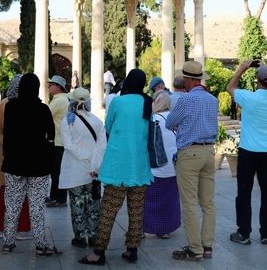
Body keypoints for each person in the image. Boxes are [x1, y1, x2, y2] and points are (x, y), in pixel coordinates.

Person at [80, 68, 153, 265]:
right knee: (136, 211)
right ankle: (131, 250)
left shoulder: (118, 101)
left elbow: (108, 127)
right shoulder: (147, 102)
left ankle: (98, 252)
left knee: (109, 210)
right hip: (139, 167)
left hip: (118, 166)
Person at [226, 61, 267, 245]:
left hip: (248, 152)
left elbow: (230, 87)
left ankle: (244, 233)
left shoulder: (248, 98)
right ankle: (266, 233)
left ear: (257, 80)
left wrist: (243, 67)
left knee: (244, 192)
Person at [1, 73, 60, 255]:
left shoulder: (10, 107)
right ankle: (41, 244)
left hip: (14, 163)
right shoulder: (42, 109)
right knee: (36, 205)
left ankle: (8, 242)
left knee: (12, 204)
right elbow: (51, 134)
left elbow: (7, 131)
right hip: (38, 164)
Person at [166, 61, 218, 261]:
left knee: (189, 204)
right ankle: (207, 246)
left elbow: (170, 122)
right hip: (208, 152)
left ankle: (195, 249)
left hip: (189, 153)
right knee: (208, 203)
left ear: (188, 80)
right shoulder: (212, 99)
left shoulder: (186, 100)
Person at [59, 87, 107, 249]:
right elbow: (102, 147)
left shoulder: (67, 121)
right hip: (93, 171)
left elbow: (68, 146)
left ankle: (80, 237)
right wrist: (93, 163)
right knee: (94, 205)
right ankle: (93, 236)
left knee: (77, 204)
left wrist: (83, 156)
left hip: (74, 170)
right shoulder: (97, 121)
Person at [0, 74, 32, 239]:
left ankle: (2, 228)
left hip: (6, 155)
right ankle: (22, 229)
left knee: (6, 192)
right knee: (23, 192)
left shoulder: (3, 104)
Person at [143, 92, 180, 240]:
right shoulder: (175, 118)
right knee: (169, 201)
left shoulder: (153, 119)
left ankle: (144, 229)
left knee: (149, 201)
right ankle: (165, 230)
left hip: (155, 167)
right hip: (174, 167)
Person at [46, 75, 69, 208]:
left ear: (58, 87)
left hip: (58, 140)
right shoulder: (61, 98)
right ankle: (55, 196)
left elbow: (46, 115)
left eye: (52, 84)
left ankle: (59, 199)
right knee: (57, 171)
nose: (49, 86)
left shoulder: (59, 100)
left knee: (57, 171)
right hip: (60, 140)